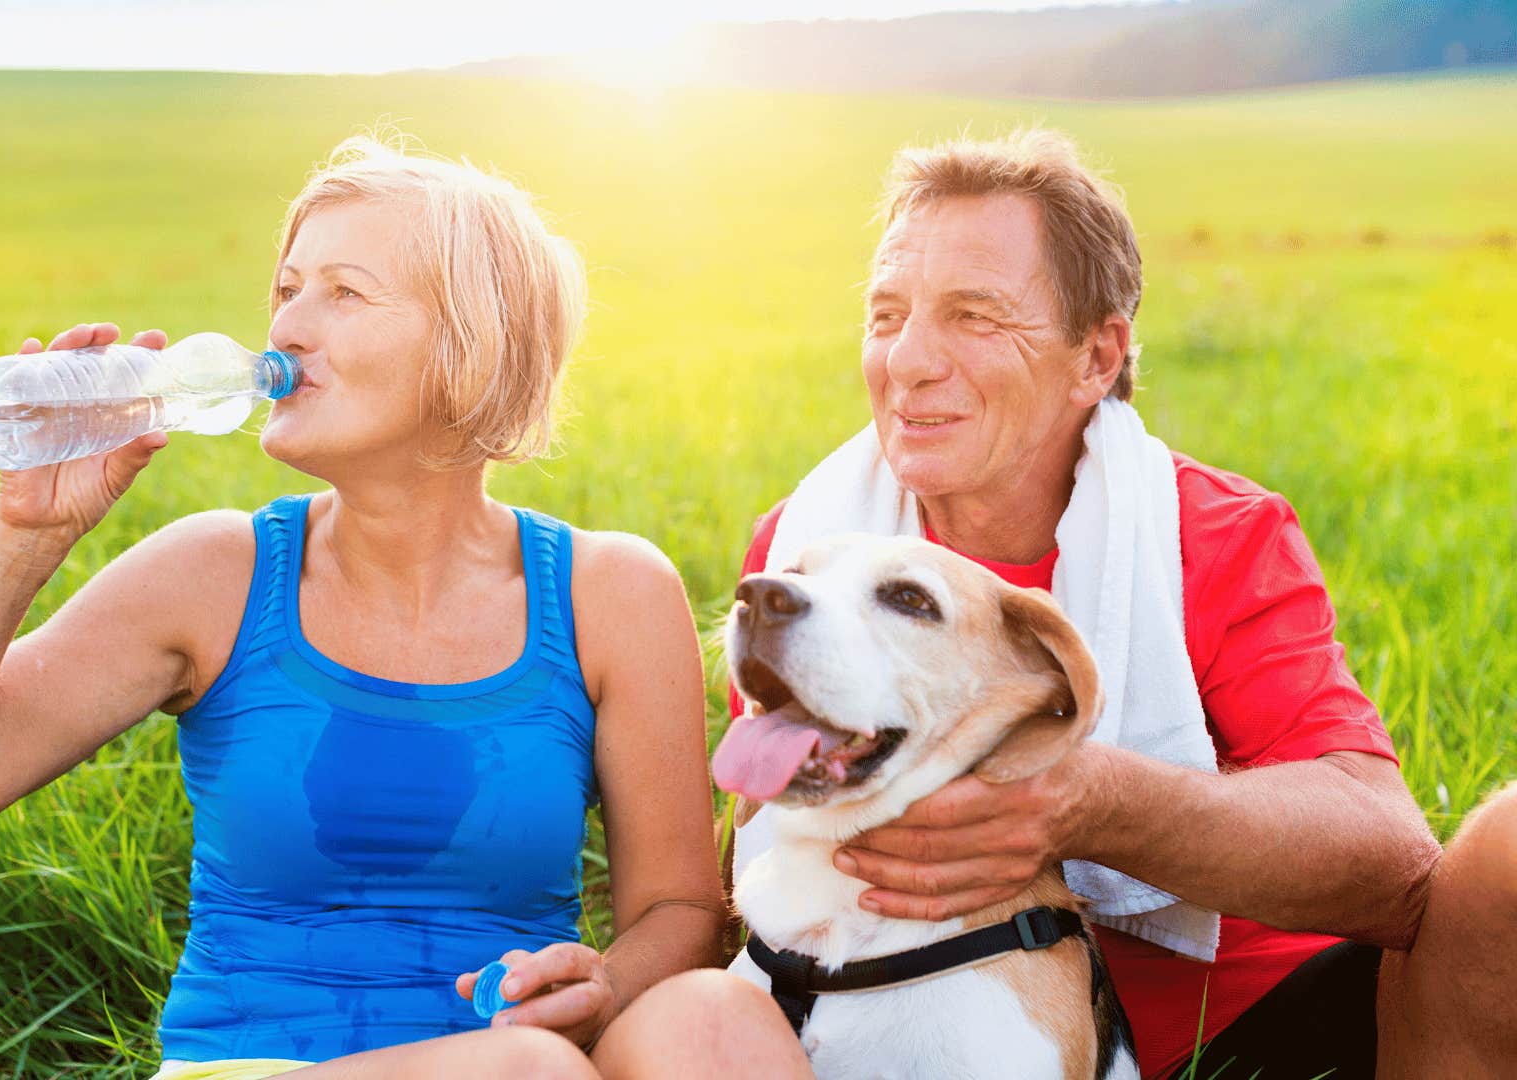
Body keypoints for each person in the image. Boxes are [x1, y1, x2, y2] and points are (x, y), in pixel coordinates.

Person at [603, 129, 1517, 1079]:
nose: (908, 359)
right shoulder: (806, 554)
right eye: (886, 314)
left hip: (1247, 1026)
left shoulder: (1210, 534)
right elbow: (736, 866)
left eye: (974, 316)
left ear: (1097, 356)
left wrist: (1092, 802)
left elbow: (1391, 866)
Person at [0, 135, 725, 1079]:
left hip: (529, 1060)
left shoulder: (612, 593)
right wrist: (25, 535)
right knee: (527, 1073)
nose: (288, 330)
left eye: (343, 292)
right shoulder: (215, 574)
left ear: (477, 340)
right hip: (268, 1065)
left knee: (712, 1019)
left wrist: (601, 991)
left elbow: (679, 912)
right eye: (286, 290)